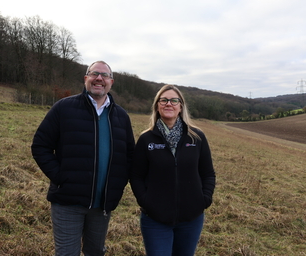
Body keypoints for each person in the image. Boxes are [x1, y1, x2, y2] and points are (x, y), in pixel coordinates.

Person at [31, 60, 135, 256]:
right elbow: (40, 146)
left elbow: (129, 156)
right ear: (86, 78)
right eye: (94, 73)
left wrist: (118, 184)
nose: (99, 78)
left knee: (95, 252)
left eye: (104, 75)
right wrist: (61, 177)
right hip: (67, 203)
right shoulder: (64, 108)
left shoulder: (121, 116)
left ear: (111, 82)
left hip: (102, 206)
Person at [130, 84, 216, 256]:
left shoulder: (197, 137)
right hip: (155, 220)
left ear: (180, 106)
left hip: (191, 220)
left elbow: (208, 173)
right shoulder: (146, 139)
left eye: (174, 100)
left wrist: (204, 199)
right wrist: (146, 202)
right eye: (164, 100)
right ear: (157, 106)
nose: (168, 104)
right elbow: (136, 176)